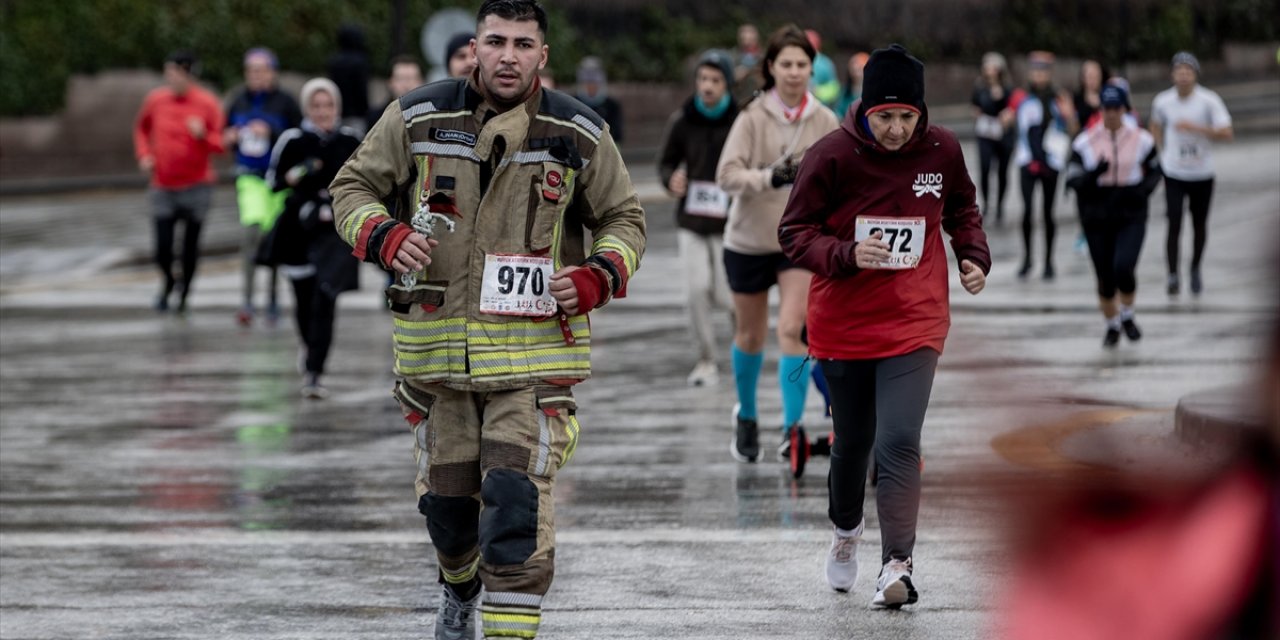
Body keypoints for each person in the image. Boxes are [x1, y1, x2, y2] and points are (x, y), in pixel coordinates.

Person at [329, 1, 645, 637]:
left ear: (542, 56)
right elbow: (350, 187)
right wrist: (384, 236)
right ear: (473, 46)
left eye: (523, 44)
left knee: (514, 503)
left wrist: (597, 275)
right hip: (437, 356)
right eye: (496, 42)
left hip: (531, 360)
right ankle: (457, 585)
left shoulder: (578, 131)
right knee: (449, 513)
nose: (508, 56)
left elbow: (625, 219)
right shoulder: (418, 116)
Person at [778, 43, 990, 608]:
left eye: (907, 117)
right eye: (884, 116)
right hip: (844, 323)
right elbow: (794, 233)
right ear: (864, 110)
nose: (896, 129)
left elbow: (963, 209)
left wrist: (974, 255)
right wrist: (847, 252)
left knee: (898, 441)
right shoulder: (831, 155)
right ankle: (847, 533)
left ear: (922, 114)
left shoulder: (943, 149)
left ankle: (897, 565)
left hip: (914, 319)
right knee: (853, 444)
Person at [716, 24, 839, 469]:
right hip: (748, 240)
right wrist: (770, 177)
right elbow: (726, 175)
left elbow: (841, 178)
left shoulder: (825, 119)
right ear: (770, 68)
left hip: (798, 242)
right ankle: (746, 415)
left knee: (793, 328)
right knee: (749, 334)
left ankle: (792, 429)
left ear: (812, 68)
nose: (793, 72)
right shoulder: (752, 117)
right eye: (785, 64)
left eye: (801, 64)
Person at [263, 78, 361, 399]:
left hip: (334, 233)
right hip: (298, 232)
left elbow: (367, 181)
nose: (323, 112)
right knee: (304, 301)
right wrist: (299, 174)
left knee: (326, 298)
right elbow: (273, 182)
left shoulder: (349, 140)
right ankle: (308, 348)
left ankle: (315, 371)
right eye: (316, 106)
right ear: (307, 108)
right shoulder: (293, 139)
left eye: (328, 105)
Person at [656, 49, 740, 387]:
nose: (707, 86)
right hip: (691, 220)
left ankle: (742, 353)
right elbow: (665, 162)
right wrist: (670, 179)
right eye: (703, 79)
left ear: (727, 85)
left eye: (715, 80)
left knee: (728, 296)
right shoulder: (682, 120)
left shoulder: (740, 119)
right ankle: (706, 360)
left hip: (729, 222)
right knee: (695, 290)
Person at [1065, 84, 1162, 348]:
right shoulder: (1086, 140)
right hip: (1097, 212)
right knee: (1105, 278)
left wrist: (1143, 190)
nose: (1111, 114)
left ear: (1124, 109)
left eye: (1116, 108)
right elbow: (1072, 179)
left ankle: (1127, 315)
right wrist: (1093, 174)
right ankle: (1112, 326)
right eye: (1106, 109)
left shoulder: (1140, 138)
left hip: (1130, 209)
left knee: (1124, 266)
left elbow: (1156, 169)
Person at [132, 50, 226, 314]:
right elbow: (141, 128)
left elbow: (221, 145)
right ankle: (169, 281)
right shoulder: (156, 100)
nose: (168, 77)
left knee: (189, 247)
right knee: (162, 248)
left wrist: (203, 135)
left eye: (174, 72)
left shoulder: (207, 103)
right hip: (162, 186)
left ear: (188, 74)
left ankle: (184, 293)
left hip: (197, 186)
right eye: (167, 72)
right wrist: (144, 155)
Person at [225, 47, 303, 327]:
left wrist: (270, 132)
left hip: (278, 181)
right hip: (250, 178)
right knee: (251, 234)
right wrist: (231, 137)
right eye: (250, 71)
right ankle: (246, 300)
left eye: (260, 70)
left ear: (272, 72)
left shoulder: (285, 103)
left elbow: (299, 138)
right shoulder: (238, 101)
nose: (255, 76)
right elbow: (226, 133)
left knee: (273, 239)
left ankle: (272, 299)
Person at [1150, 51, 1233, 296]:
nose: (1184, 76)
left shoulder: (1209, 100)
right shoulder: (1162, 101)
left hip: (1202, 172)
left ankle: (1195, 267)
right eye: (1179, 71)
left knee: (1199, 224)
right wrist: (1160, 152)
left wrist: (1196, 127)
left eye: (1188, 71)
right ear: (1172, 74)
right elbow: (1154, 124)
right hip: (1174, 171)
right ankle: (1173, 274)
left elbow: (1227, 133)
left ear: (1195, 74)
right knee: (1173, 223)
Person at [1010, 50, 1077, 280]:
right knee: (1028, 211)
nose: (1039, 75)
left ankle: (1048, 261)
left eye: (1043, 70)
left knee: (1048, 212)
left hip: (1051, 161)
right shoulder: (1021, 96)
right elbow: (1007, 120)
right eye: (1035, 70)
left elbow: (1072, 129)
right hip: (1027, 159)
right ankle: (1027, 259)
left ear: (1050, 72)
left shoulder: (1059, 97)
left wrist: (1069, 116)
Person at [971, 51, 1015, 225]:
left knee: (1002, 171)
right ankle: (987, 204)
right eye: (987, 66)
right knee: (984, 168)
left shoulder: (1007, 88)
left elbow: (1013, 108)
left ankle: (1000, 206)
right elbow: (974, 106)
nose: (989, 70)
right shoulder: (980, 87)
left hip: (1003, 134)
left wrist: (1007, 114)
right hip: (985, 133)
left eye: (993, 67)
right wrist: (977, 114)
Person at [327, 23, 370, 136]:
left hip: (337, 114)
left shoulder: (335, 61)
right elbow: (362, 91)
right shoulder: (360, 61)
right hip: (356, 115)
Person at [366, 55, 424, 132]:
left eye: (412, 79)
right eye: (401, 79)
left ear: (422, 82)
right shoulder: (377, 118)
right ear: (390, 82)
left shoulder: (432, 116)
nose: (407, 85)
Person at [574, 56, 623, 144]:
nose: (591, 86)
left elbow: (617, 136)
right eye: (587, 82)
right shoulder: (572, 103)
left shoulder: (612, 106)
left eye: (594, 82)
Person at [805, 29, 840, 110]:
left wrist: (816, 91)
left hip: (819, 107)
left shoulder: (825, 63)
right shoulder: (795, 60)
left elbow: (834, 88)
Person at [732, 23, 763, 104]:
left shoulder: (763, 58)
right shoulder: (733, 57)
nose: (747, 43)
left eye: (750, 39)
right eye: (744, 39)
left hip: (759, 100)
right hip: (739, 99)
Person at [834, 51, 868, 119]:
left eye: (860, 69)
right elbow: (839, 111)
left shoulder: (874, 93)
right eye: (854, 69)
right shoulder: (846, 92)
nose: (856, 73)